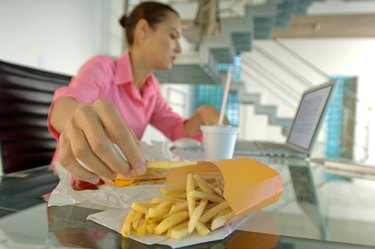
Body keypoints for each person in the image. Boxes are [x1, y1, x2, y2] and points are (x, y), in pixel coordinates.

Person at [48, 1, 228, 185]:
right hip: (70, 183)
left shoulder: (152, 89)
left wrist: (201, 115)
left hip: (112, 188)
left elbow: (178, 132)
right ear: (143, 30)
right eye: (173, 35)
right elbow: (62, 106)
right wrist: (79, 117)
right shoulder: (102, 67)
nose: (179, 48)